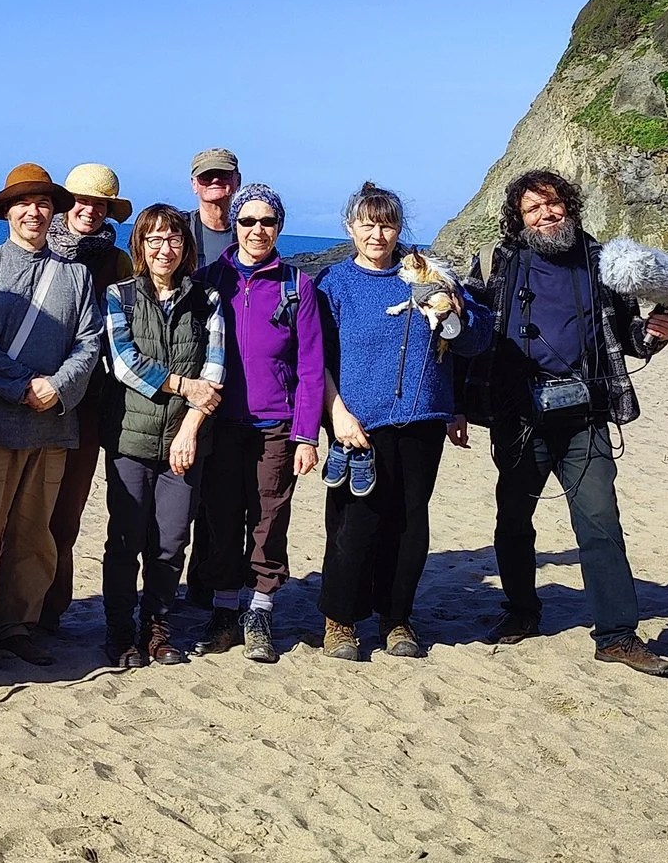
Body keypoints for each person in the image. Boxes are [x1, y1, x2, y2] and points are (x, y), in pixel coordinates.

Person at [466, 169, 668, 675]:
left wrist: (653, 335)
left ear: (570, 205)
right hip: (518, 415)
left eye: (553, 203)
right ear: (518, 218)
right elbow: (467, 334)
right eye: (533, 208)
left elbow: (627, 336)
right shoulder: (495, 262)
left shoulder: (603, 262)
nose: (546, 214)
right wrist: (458, 406)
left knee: (601, 522)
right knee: (513, 521)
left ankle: (617, 636)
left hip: (587, 414)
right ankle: (521, 610)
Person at [315, 183, 492, 661]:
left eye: (387, 224)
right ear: (350, 227)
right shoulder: (333, 283)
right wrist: (336, 413)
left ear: (399, 229)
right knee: (354, 525)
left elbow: (474, 340)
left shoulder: (426, 274)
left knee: (410, 524)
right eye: (367, 224)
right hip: (357, 422)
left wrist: (456, 309)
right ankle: (340, 620)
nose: (377, 234)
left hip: (423, 418)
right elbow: (316, 359)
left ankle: (397, 618)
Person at [0, 165, 106, 669]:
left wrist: (56, 388)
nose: (34, 212)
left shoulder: (77, 276)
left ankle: (18, 624)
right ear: (7, 211)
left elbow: (89, 342)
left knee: (36, 535)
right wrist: (21, 385)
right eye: (24, 203)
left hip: (54, 424)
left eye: (43, 203)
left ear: (53, 211)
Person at [188, 182, 324, 662]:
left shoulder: (297, 286)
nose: (257, 230)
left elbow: (311, 366)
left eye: (267, 221)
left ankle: (261, 611)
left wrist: (306, 435)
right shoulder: (207, 280)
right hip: (219, 422)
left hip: (276, 426)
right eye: (248, 221)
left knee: (269, 520)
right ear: (235, 225)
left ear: (279, 227)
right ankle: (225, 613)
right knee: (221, 518)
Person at [99, 203, 226, 668]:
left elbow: (215, 369)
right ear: (140, 246)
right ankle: (119, 630)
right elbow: (125, 363)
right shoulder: (120, 296)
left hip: (184, 440)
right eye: (154, 239)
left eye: (173, 239)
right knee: (126, 539)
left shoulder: (207, 299)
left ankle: (156, 627)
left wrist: (190, 428)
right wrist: (184, 386)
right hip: (130, 439)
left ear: (185, 246)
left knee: (171, 542)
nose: (164, 249)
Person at [42, 163, 136, 631]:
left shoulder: (118, 263)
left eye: (101, 204)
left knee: (66, 514)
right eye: (83, 200)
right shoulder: (39, 248)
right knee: (25, 509)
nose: (91, 210)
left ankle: (51, 608)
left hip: (91, 403)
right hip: (34, 395)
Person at [188, 148, 243, 271]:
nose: (215, 180)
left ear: (238, 180)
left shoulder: (251, 231)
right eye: (206, 176)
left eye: (223, 174)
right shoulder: (179, 230)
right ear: (194, 184)